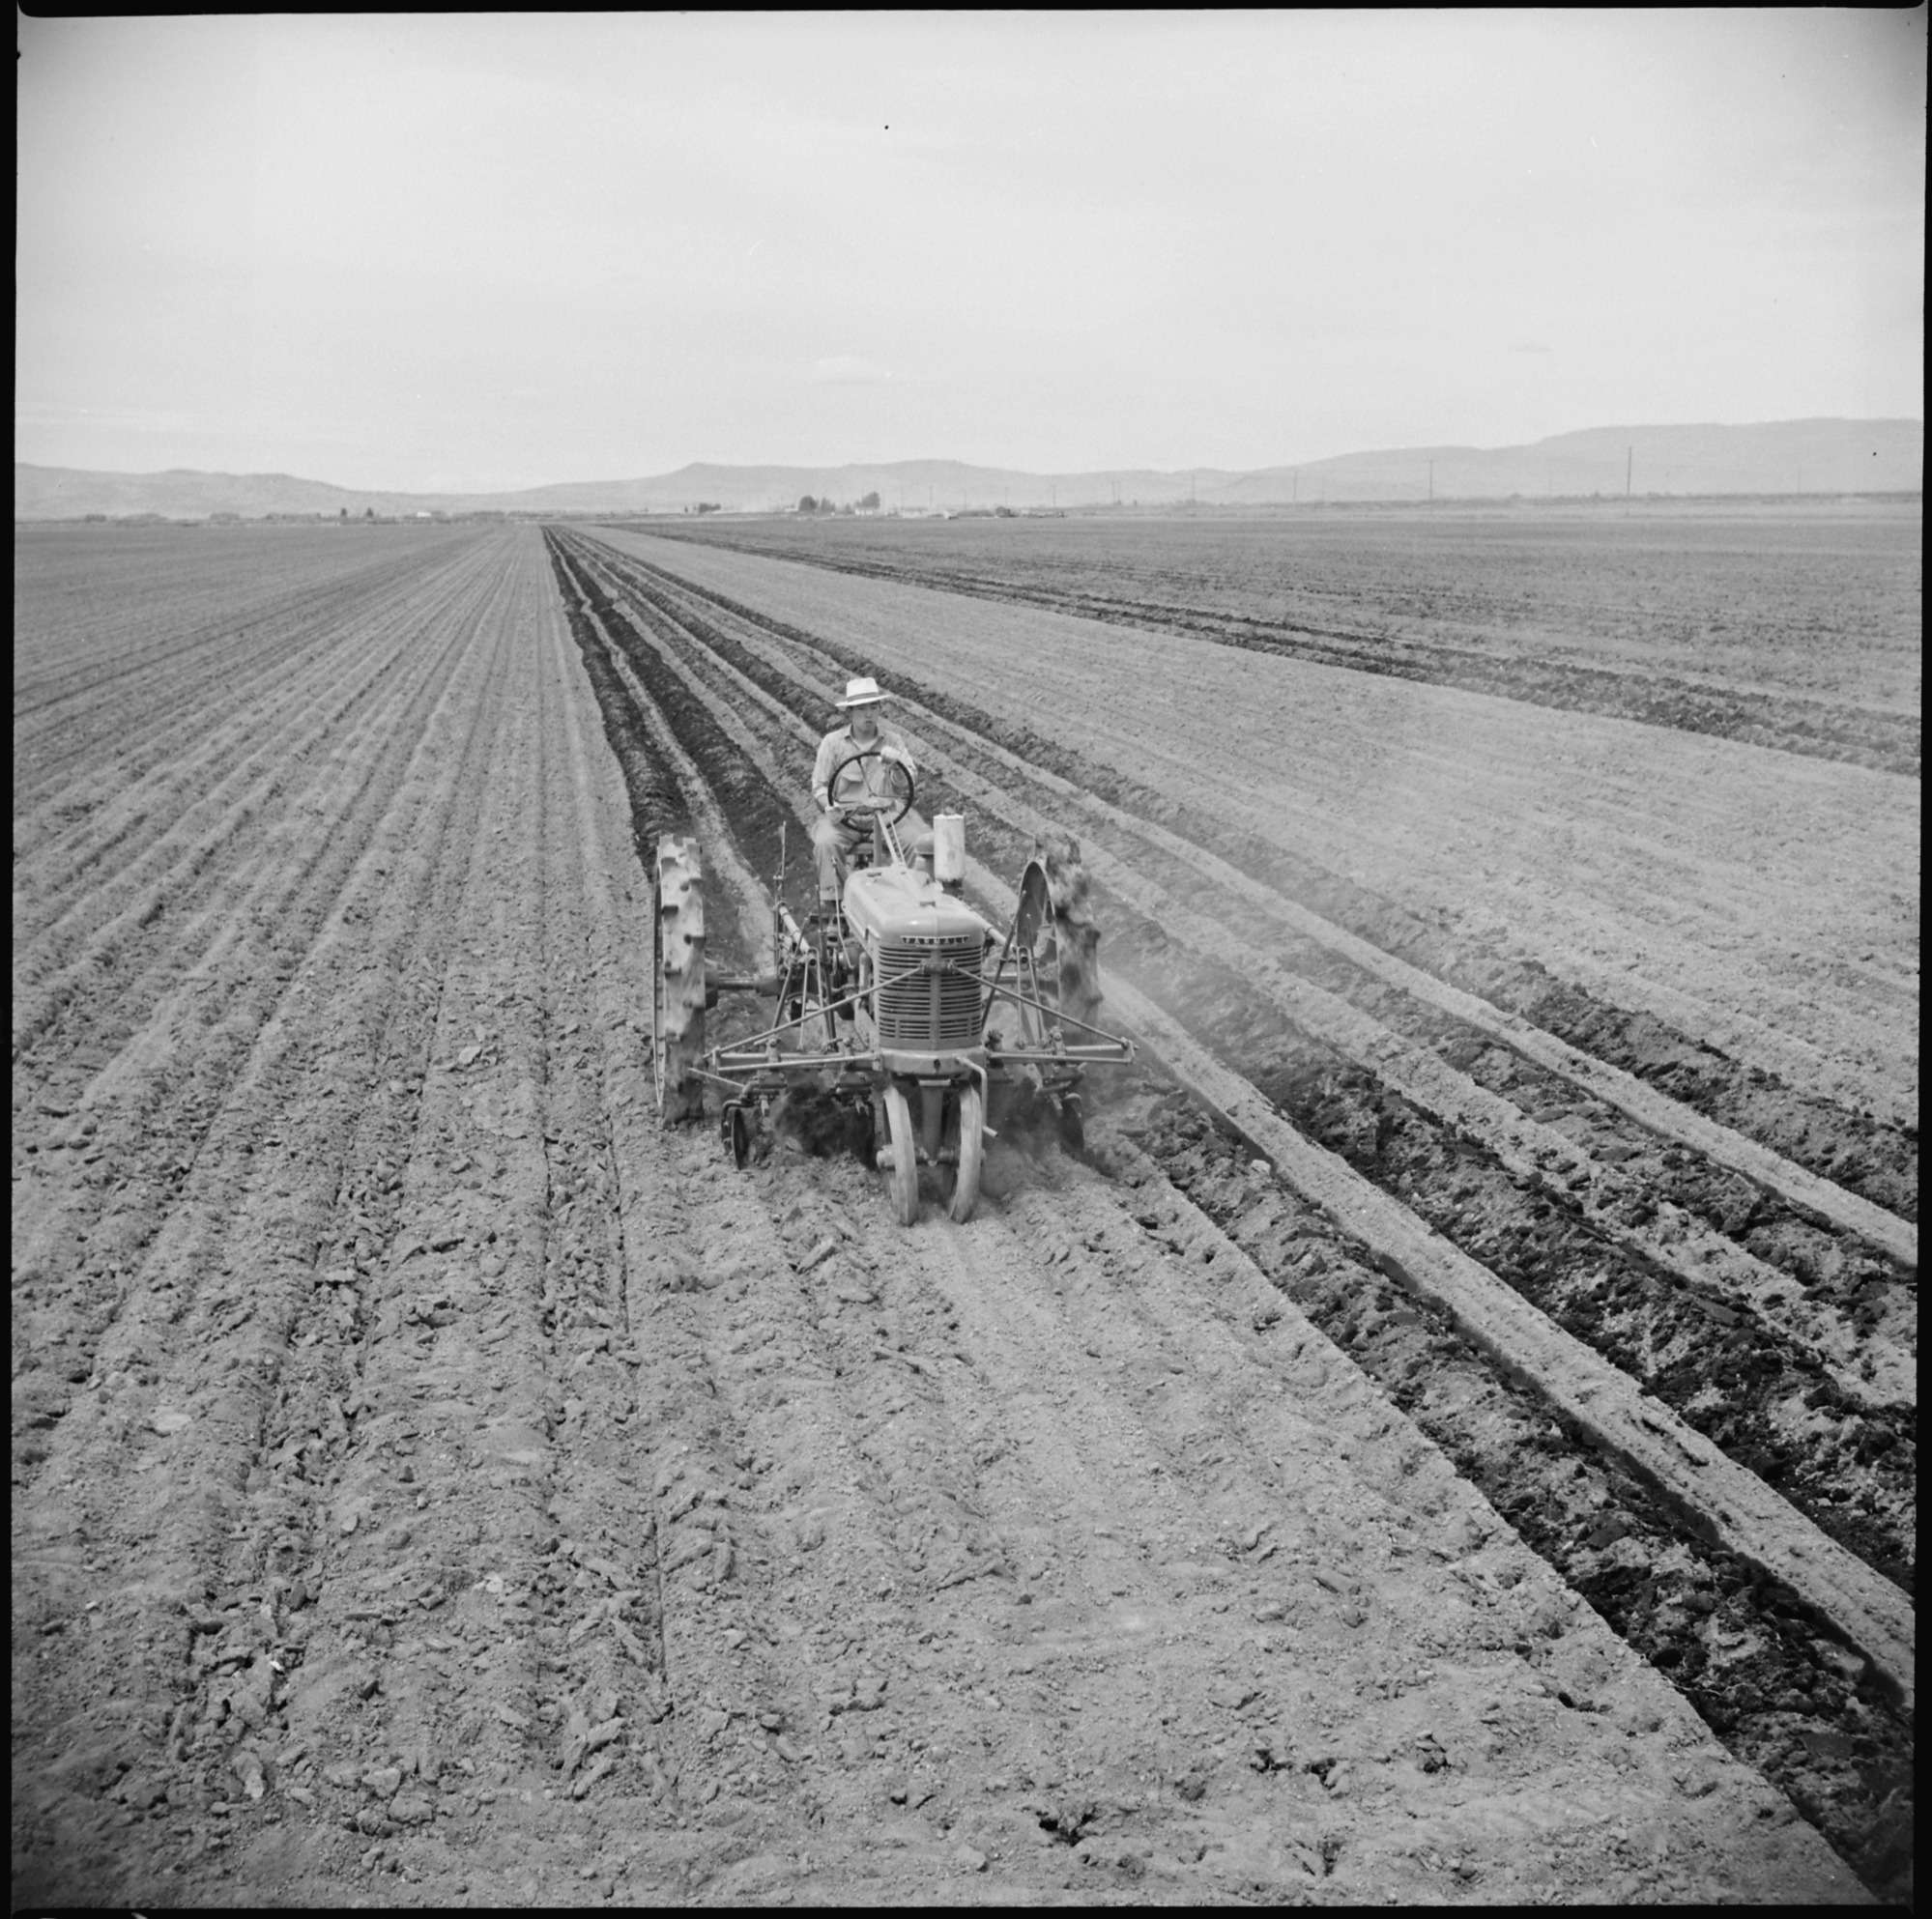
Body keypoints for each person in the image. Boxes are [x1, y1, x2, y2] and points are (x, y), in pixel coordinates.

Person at [811, 676, 919, 903]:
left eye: (873, 707)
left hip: (887, 818)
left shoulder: (893, 742)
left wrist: (895, 765)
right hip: (845, 819)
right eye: (861, 709)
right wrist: (829, 806)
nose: (868, 714)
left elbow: (908, 782)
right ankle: (834, 907)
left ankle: (914, 899)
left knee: (916, 841)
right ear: (849, 713)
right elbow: (819, 786)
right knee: (825, 842)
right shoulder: (833, 743)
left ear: (880, 709)